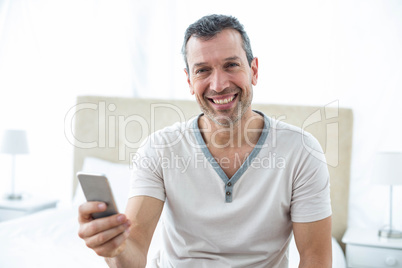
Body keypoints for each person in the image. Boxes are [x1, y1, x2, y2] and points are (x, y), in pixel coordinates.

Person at [78, 14, 332, 268]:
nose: (219, 84)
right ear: (190, 81)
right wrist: (114, 249)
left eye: (231, 65)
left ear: (253, 70)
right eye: (203, 70)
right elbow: (132, 257)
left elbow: (315, 259)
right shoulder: (159, 149)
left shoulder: (301, 151)